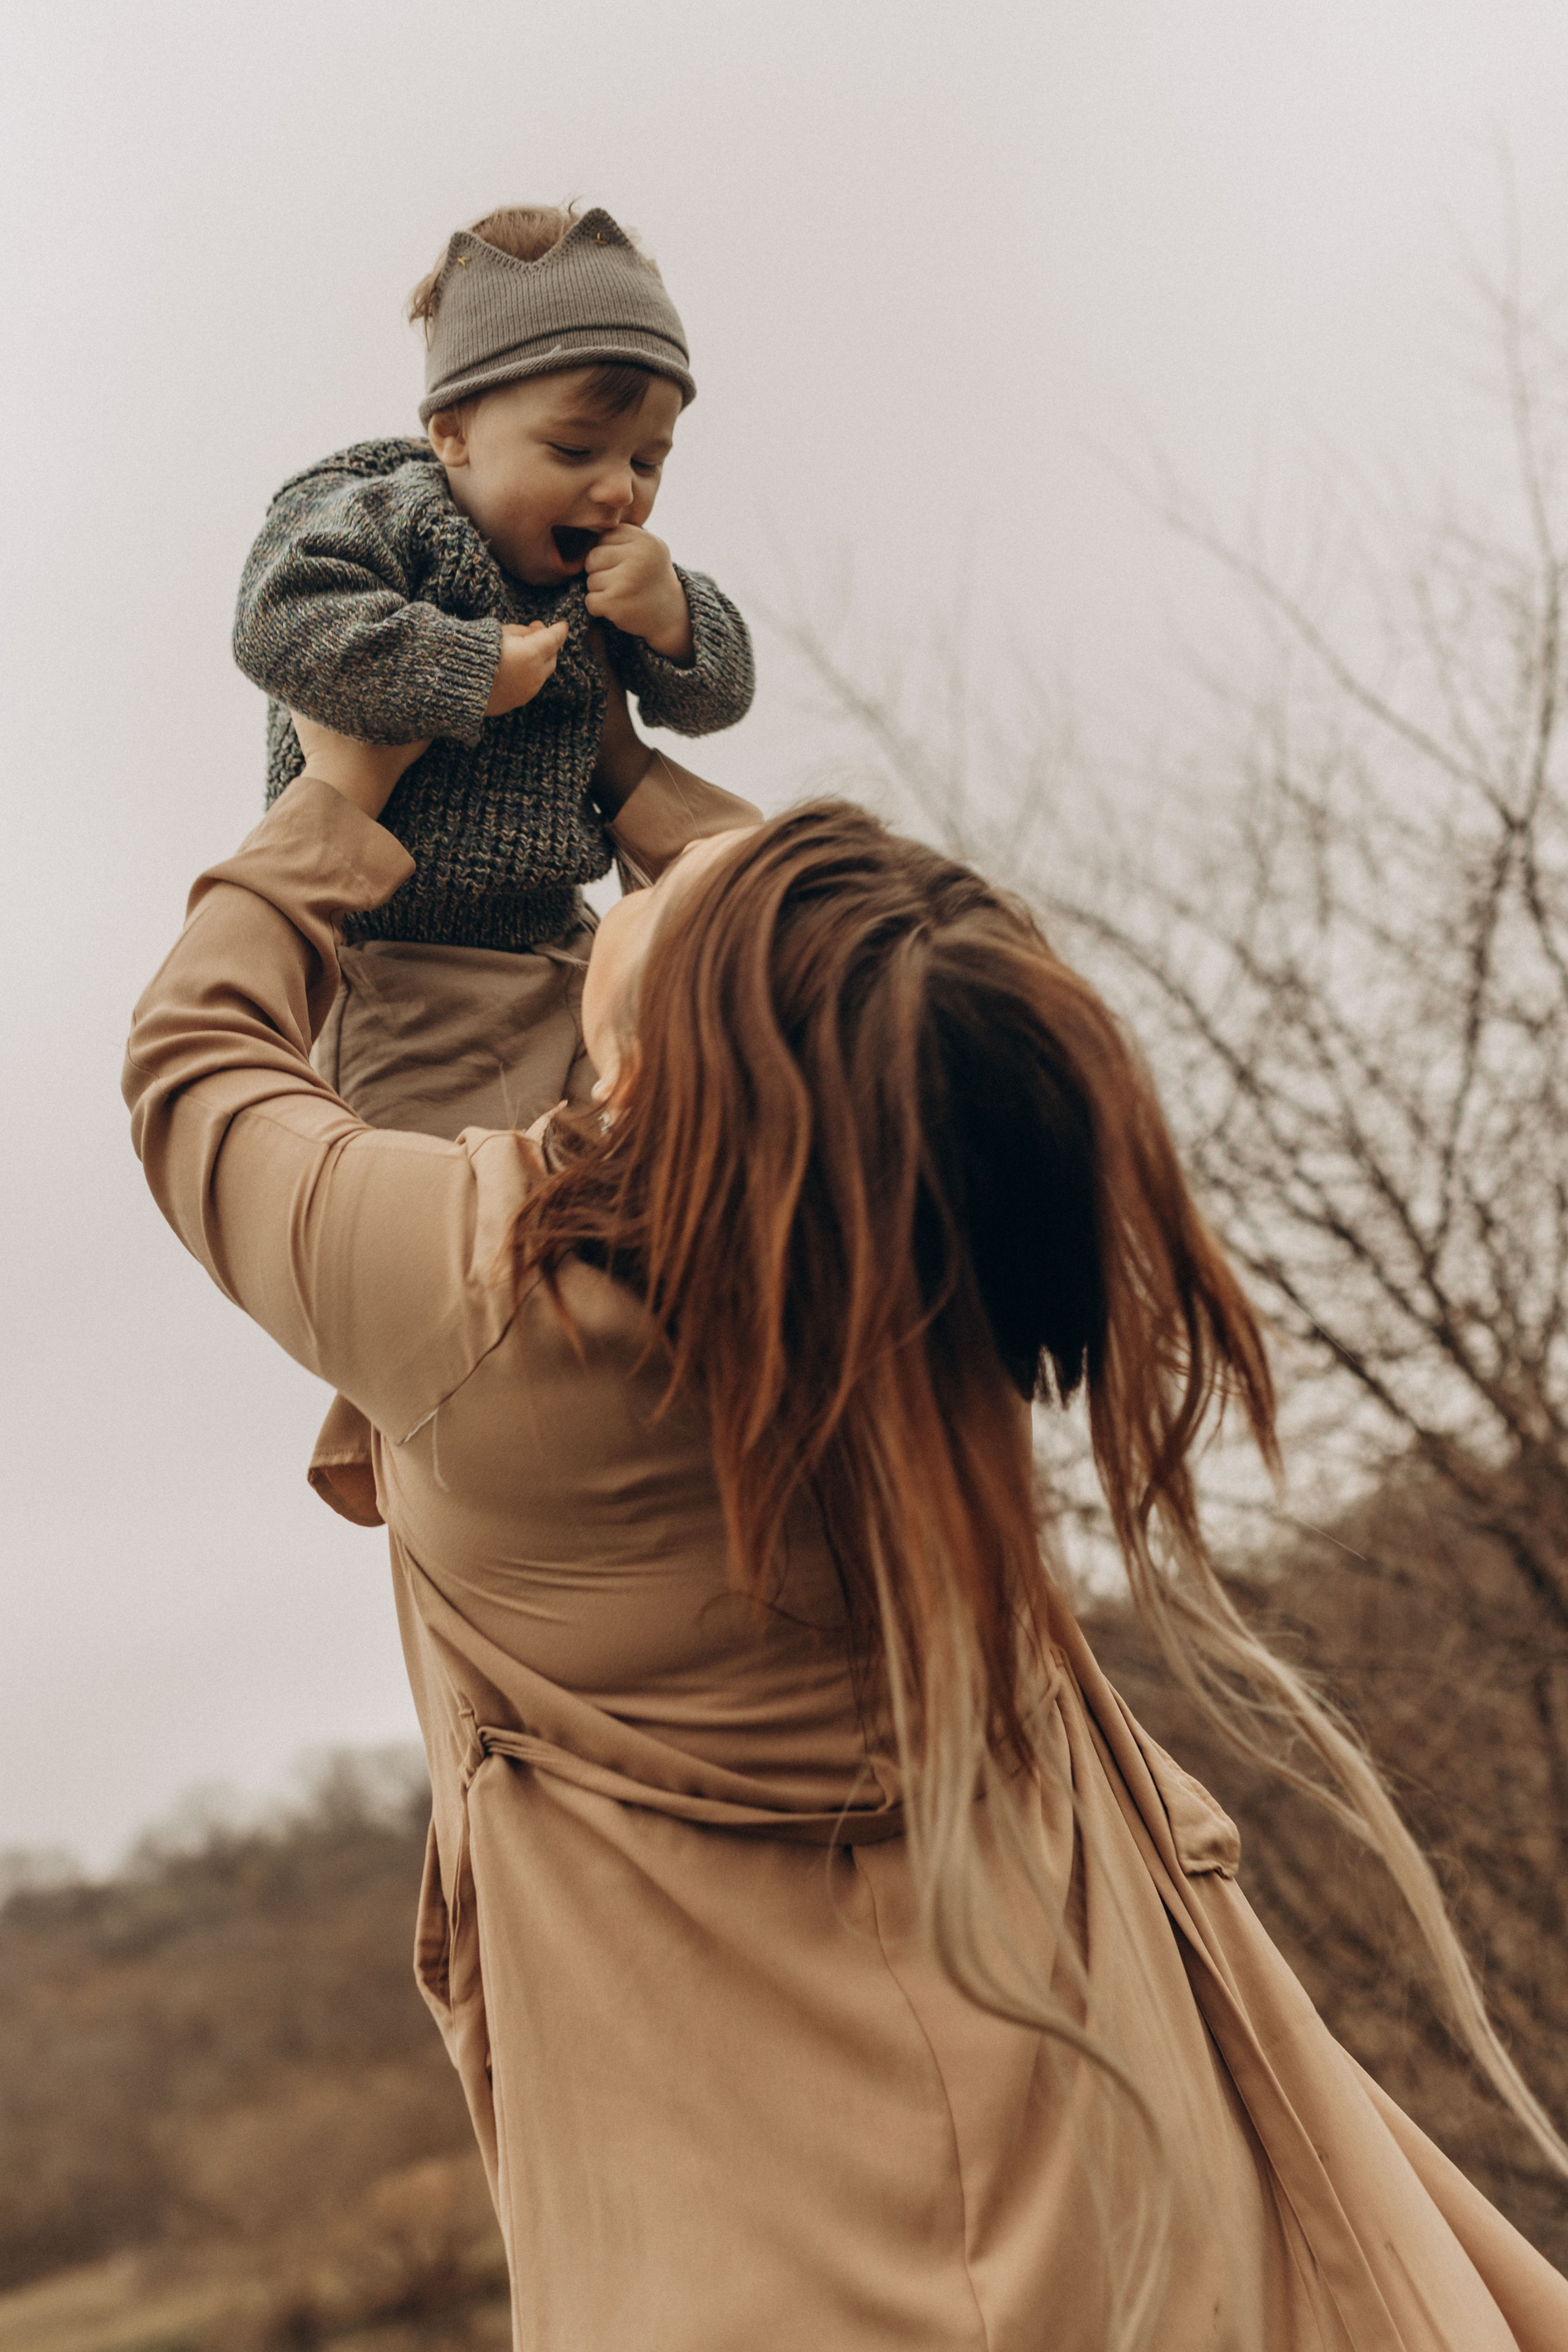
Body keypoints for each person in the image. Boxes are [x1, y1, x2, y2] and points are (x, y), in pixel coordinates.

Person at [124, 696, 1568, 2351]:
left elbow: (193, 1071)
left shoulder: (480, 1297)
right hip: (1113, 2176)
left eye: (677, 894)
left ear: (659, 1067)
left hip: (768, 2276)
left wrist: (337, 791)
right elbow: (918, 999)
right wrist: (616, 765)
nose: (671, 866)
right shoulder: (933, 1274)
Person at [231, 201, 758, 1510]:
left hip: (564, 945)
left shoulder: (608, 567)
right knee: (438, 1222)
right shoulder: (382, 517)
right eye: (576, 449)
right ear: (452, 431)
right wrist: (467, 668)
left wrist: (676, 619)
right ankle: (380, 1424)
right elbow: (283, 627)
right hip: (407, 963)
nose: (617, 489)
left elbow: (717, 696)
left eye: (648, 459)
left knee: (629, 1176)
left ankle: (646, 1388)